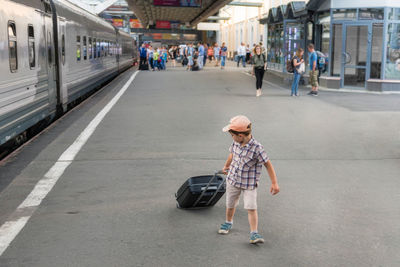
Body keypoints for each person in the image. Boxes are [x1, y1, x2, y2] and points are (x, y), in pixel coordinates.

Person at [219, 115, 280, 244]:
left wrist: (274, 183)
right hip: (233, 180)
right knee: (230, 205)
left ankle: (254, 233)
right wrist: (226, 166)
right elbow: (232, 154)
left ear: (240, 135)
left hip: (249, 184)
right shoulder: (236, 143)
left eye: (232, 135)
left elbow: (268, 164)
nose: (232, 138)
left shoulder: (257, 148)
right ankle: (228, 222)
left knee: (251, 208)